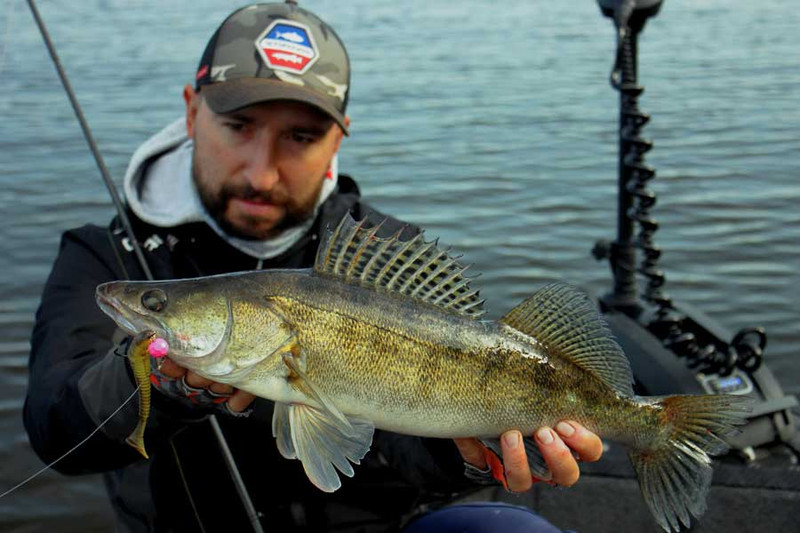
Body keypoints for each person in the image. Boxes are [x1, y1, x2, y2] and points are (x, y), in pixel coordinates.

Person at [24, 2, 603, 532]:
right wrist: (158, 384)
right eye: (238, 126)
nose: (261, 173)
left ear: (338, 140)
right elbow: (57, 428)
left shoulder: (382, 249)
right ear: (191, 109)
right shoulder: (106, 252)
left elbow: (410, 446)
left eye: (300, 137)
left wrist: (469, 452)